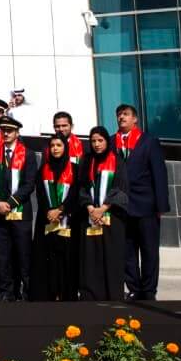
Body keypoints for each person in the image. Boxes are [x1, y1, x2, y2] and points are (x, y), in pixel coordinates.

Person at [114, 102, 168, 301]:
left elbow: (159, 174)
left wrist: (161, 205)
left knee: (149, 250)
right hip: (121, 206)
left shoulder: (148, 141)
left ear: (135, 119)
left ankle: (149, 290)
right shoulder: (112, 142)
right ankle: (134, 287)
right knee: (127, 250)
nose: (122, 118)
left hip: (146, 205)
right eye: (119, 115)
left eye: (126, 114)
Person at [0, 114, 38, 302]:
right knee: (3, 255)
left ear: (17, 133)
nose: (6, 133)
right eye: (3, 130)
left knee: (23, 255)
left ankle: (27, 292)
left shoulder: (28, 154)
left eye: (9, 131)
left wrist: (11, 202)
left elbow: (29, 184)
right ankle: (6, 292)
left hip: (20, 213)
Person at [79, 126, 129, 301]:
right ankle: (91, 294)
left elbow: (121, 187)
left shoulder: (117, 160)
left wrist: (103, 208)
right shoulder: (87, 160)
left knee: (111, 256)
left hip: (111, 216)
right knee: (91, 256)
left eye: (100, 140)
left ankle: (113, 294)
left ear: (107, 141)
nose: (97, 144)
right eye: (93, 141)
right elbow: (82, 187)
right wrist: (90, 208)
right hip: (91, 216)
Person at [30, 135, 79, 302]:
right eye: (52, 145)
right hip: (47, 220)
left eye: (59, 145)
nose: (55, 148)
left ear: (65, 147)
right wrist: (50, 212)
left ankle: (65, 293)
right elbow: (41, 194)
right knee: (48, 258)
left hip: (67, 221)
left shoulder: (74, 168)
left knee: (65, 259)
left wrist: (61, 210)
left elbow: (75, 193)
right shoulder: (43, 168)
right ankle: (49, 293)